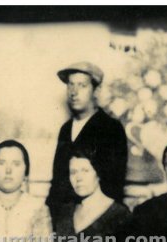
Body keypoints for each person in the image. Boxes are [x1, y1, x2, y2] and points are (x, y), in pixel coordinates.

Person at [46, 61, 128, 223]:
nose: (74, 92)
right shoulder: (65, 129)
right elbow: (58, 180)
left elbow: (113, 183)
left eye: (82, 85)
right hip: (63, 219)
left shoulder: (111, 128)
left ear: (96, 91)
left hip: (98, 220)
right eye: (70, 85)